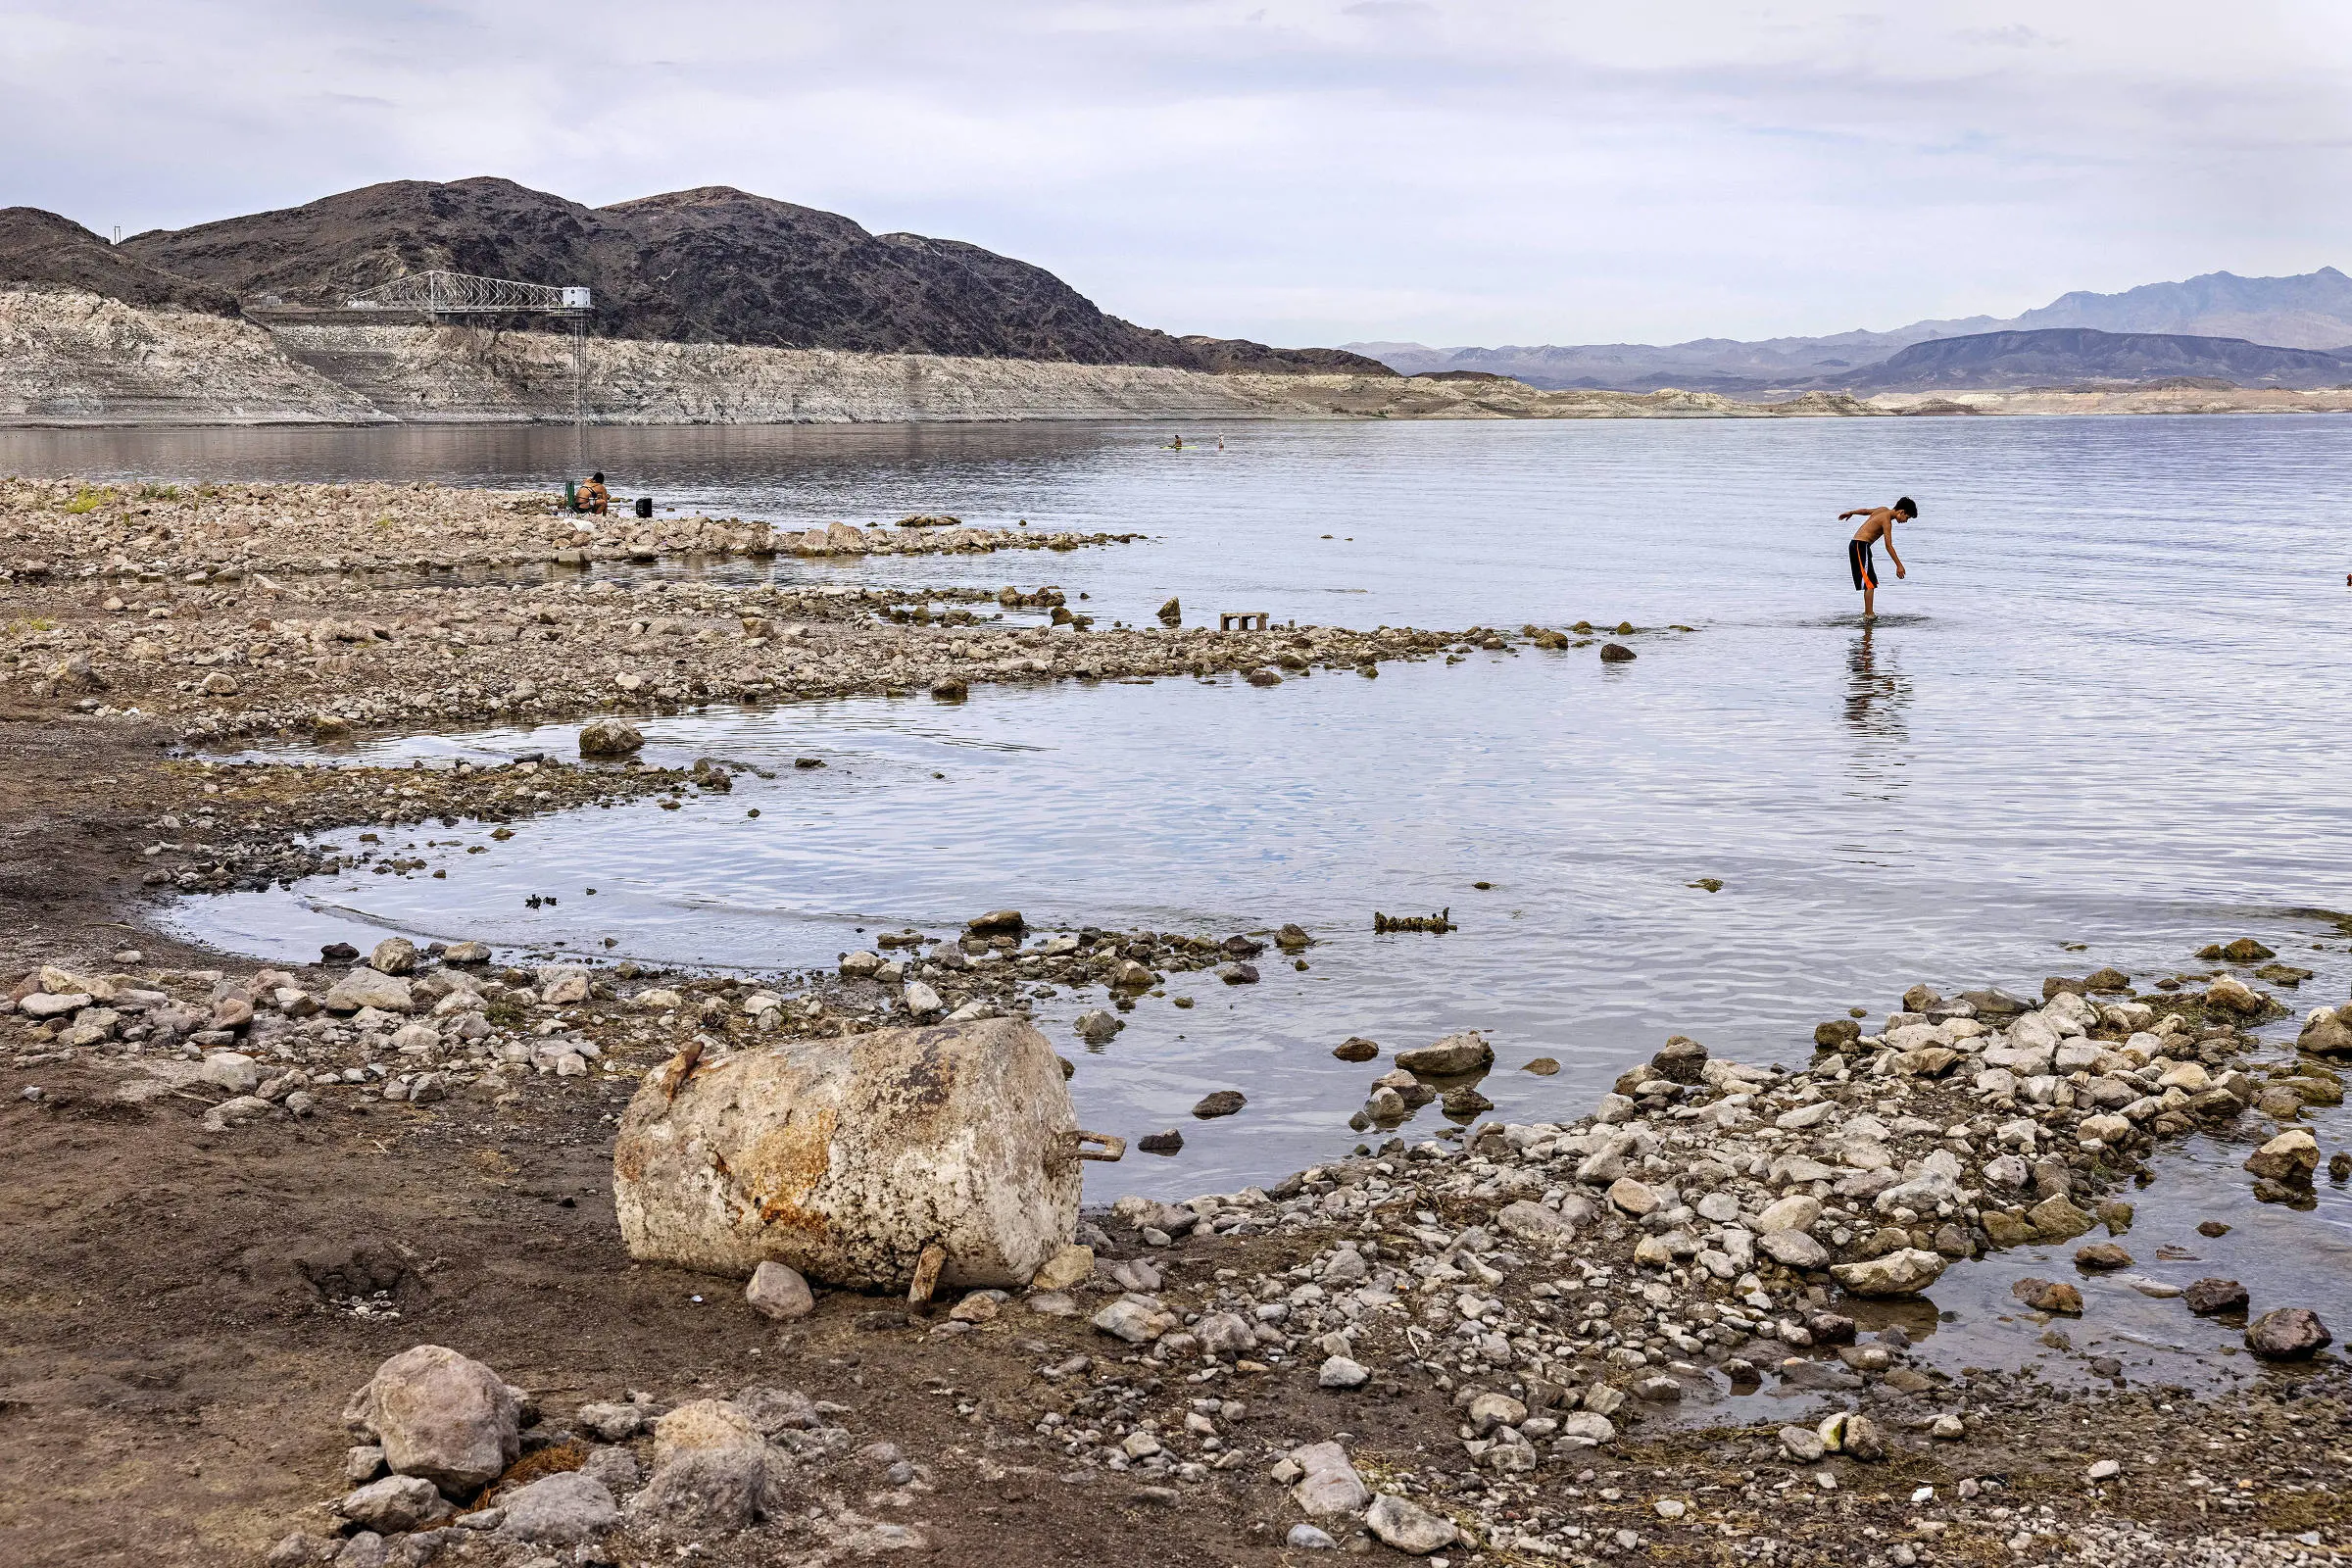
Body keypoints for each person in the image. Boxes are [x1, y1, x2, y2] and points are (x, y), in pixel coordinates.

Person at [1839, 496, 1914, 620]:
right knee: (1869, 584)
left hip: (1860, 546)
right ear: (1901, 511)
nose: (1906, 521)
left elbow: (1865, 511)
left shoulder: (1882, 510)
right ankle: (1869, 616)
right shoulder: (1887, 522)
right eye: (1907, 518)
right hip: (1860, 546)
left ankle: (1869, 614)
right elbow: (1888, 545)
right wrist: (1899, 565)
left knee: (1871, 582)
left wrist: (1851, 512)